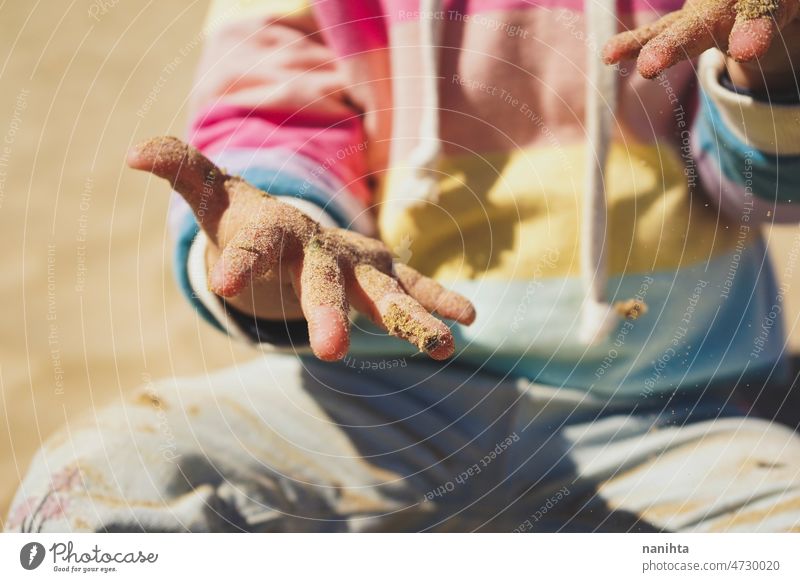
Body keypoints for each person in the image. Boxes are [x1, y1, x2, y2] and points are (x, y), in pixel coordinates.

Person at [7, 0, 800, 532]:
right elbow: (268, 139)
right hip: (375, 402)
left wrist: (771, 71)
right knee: (97, 487)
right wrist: (289, 248)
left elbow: (759, 187)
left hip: (692, 410)